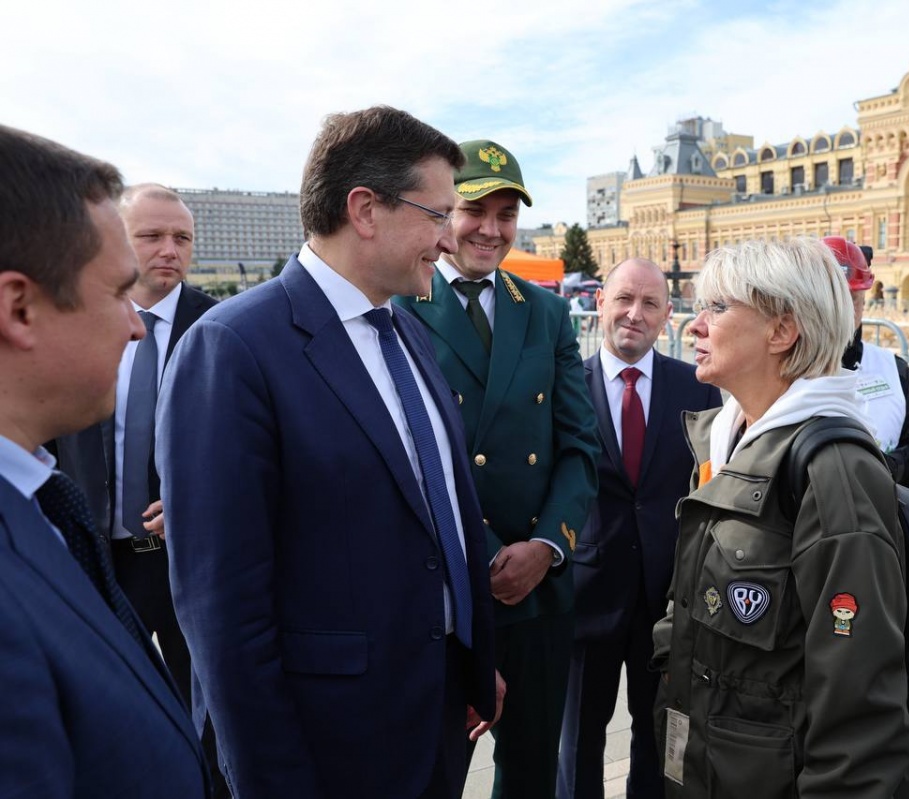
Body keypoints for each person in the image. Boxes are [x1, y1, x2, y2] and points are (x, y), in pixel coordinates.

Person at [157, 106, 499, 798]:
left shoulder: (407, 332)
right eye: (438, 216)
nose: (449, 239)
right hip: (329, 747)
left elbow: (437, 515)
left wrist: (470, 654)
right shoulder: (235, 347)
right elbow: (223, 613)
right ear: (366, 210)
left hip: (434, 718)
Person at [652, 237, 909, 798]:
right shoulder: (725, 438)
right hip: (709, 758)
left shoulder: (835, 470)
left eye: (717, 307)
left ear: (781, 331)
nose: (693, 326)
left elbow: (859, 695)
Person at [0, 125, 208, 797]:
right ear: (19, 307)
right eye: (117, 292)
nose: (134, 326)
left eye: (181, 238)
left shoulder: (37, 514)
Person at [396, 138, 600, 799]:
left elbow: (579, 444)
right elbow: (401, 458)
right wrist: (487, 557)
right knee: (433, 767)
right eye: (475, 209)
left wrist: (545, 546)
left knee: (533, 772)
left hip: (538, 591)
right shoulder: (397, 305)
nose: (491, 228)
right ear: (444, 212)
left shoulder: (544, 310)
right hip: (445, 585)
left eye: (506, 213)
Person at [557, 258, 722, 799]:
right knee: (577, 740)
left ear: (668, 315)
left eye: (650, 303)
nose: (635, 313)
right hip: (586, 598)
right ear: (600, 301)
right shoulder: (562, 386)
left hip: (668, 603)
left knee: (661, 738)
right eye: (625, 299)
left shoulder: (696, 390)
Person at [827, 237, 909, 488]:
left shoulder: (892, 370)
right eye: (830, 299)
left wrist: (888, 467)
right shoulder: (778, 370)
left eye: (852, 299)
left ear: (863, 302)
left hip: (878, 518)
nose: (843, 311)